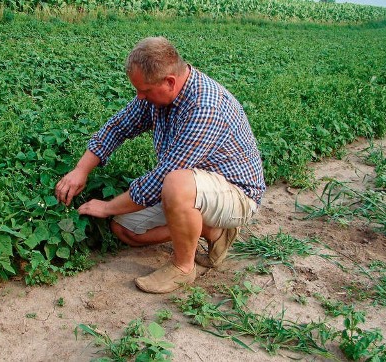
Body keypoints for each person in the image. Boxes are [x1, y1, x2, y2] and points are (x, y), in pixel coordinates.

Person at [54, 36, 266, 294]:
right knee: (124, 228)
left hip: (236, 195)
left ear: (169, 82)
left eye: (144, 90)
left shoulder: (205, 106)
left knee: (175, 182)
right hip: (193, 189)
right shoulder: (157, 96)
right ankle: (213, 232)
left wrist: (107, 206)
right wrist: (81, 170)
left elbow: (163, 178)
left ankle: (183, 268)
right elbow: (118, 127)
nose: (139, 97)